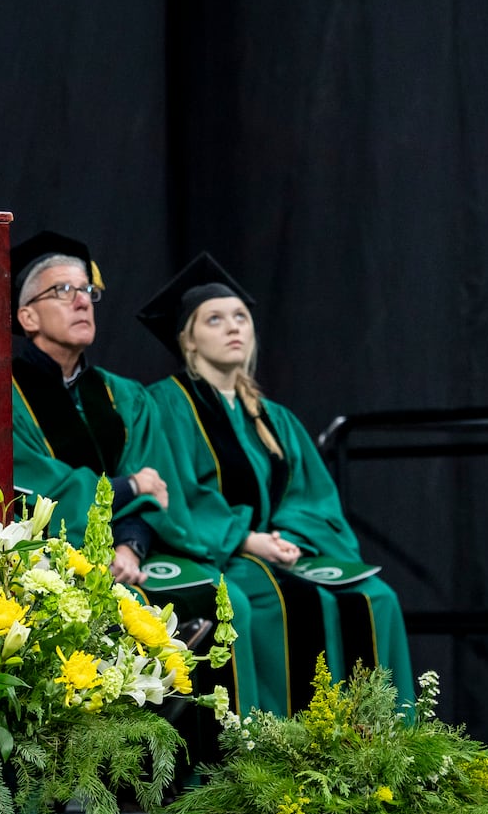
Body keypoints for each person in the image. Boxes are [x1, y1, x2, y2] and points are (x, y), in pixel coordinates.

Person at [138, 252, 414, 712]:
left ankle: (383, 756)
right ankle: (273, 759)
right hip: (216, 555)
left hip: (282, 552)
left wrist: (289, 537)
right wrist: (246, 540)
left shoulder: (275, 418)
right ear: (188, 340)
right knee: (267, 601)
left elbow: (312, 496)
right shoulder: (163, 405)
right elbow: (172, 493)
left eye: (241, 318)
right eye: (215, 319)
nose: (233, 328)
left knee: (375, 598)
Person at [9, 230, 258, 713]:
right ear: (28, 317)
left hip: (124, 553)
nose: (82, 302)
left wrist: (130, 544)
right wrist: (125, 487)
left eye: (88, 292)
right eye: (63, 291)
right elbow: (33, 485)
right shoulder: (3, 395)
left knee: (227, 603)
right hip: (51, 554)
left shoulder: (123, 396)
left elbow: (155, 484)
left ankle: (214, 779)